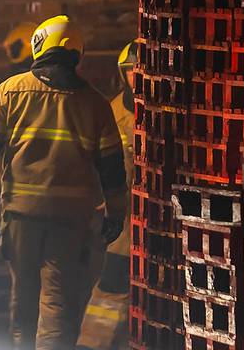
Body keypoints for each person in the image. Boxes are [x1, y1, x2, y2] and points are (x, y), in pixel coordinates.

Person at [0, 15, 128, 349]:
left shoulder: (11, 91)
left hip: (21, 217)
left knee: (23, 299)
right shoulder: (96, 104)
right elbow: (112, 169)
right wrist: (116, 213)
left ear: (40, 45)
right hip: (70, 221)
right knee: (56, 305)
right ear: (77, 53)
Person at [77, 41, 137, 349]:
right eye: (131, 73)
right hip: (125, 222)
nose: (136, 79)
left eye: (141, 72)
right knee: (112, 285)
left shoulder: (167, 111)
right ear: (122, 75)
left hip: (161, 219)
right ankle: (92, 343)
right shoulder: (112, 112)